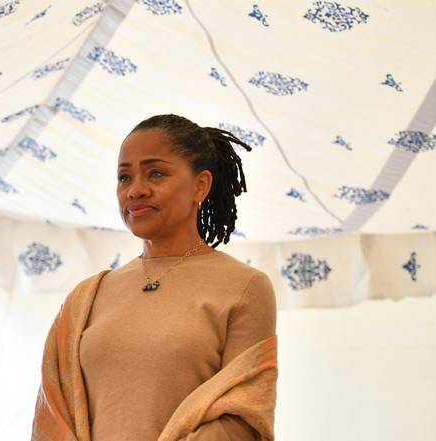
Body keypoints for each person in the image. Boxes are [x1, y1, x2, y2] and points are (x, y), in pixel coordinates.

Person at [32, 114, 278, 441]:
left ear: (200, 185)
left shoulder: (245, 287)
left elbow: (244, 416)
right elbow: (54, 414)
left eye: (156, 173)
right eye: (124, 177)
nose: (136, 190)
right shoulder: (86, 297)